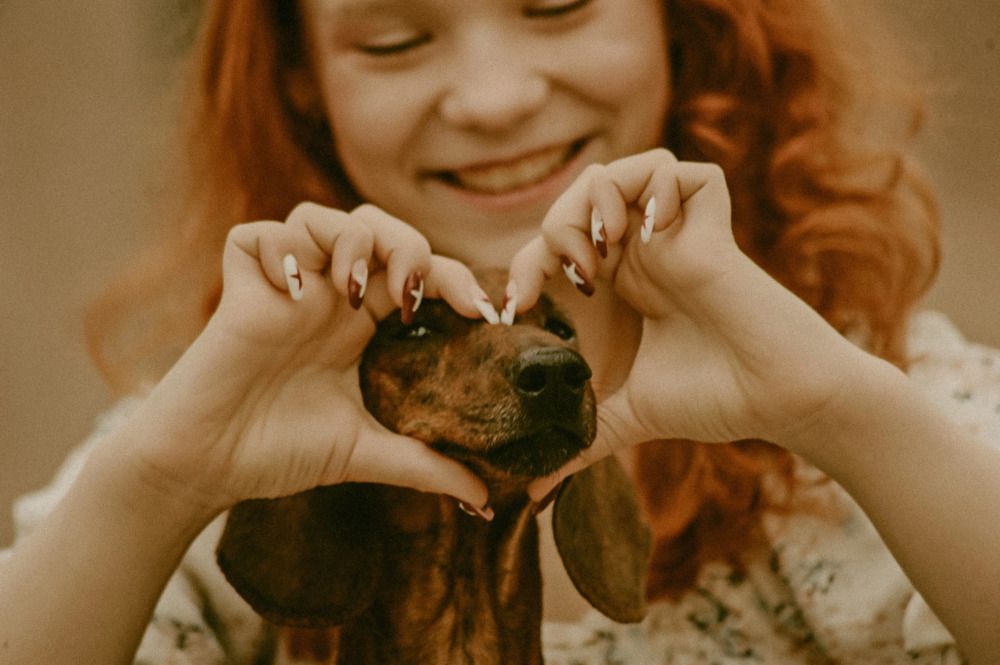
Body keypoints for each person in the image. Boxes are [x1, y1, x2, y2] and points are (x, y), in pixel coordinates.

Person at [1, 0, 998, 663]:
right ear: (301, 76)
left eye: (557, 2)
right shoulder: (200, 470)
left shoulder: (892, 411)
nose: (494, 100)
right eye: (394, 39)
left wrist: (834, 404)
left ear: (678, 17)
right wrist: (160, 481)